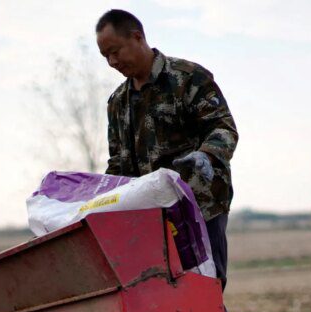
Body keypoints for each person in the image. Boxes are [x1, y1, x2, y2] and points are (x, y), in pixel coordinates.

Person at [95, 9, 238, 291]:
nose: (112, 62)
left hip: (198, 209)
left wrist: (207, 154)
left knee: (203, 294)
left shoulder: (188, 79)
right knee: (160, 300)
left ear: (137, 37)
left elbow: (223, 128)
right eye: (105, 57)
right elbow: (117, 163)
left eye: (115, 52)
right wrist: (102, 198)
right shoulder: (118, 102)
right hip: (147, 219)